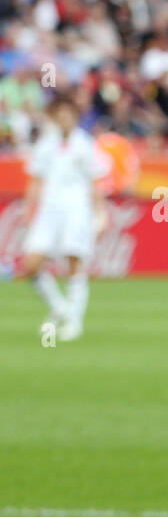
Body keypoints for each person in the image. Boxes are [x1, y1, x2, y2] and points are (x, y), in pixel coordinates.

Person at [15, 92, 107, 341]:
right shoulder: (46, 144)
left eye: (69, 115)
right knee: (30, 264)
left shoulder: (86, 144)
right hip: (48, 209)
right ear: (54, 118)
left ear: (75, 117)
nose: (64, 119)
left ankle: (74, 321)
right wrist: (27, 208)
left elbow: (95, 181)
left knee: (74, 261)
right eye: (60, 115)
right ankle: (60, 306)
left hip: (77, 209)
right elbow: (36, 178)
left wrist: (100, 211)